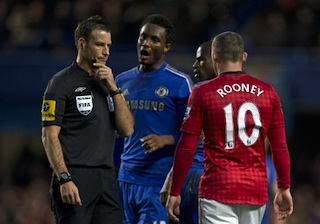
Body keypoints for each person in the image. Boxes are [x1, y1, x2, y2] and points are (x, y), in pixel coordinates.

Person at [166, 31, 293, 224]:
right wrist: (284, 187)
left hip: (218, 189)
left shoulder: (203, 92)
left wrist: (174, 190)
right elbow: (280, 146)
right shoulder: (268, 93)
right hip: (254, 191)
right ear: (243, 57)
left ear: (214, 55)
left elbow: (187, 146)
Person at [41, 15, 134, 224]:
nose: (106, 51)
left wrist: (114, 89)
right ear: (82, 43)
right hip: (75, 176)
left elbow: (127, 130)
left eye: (109, 45)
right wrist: (64, 178)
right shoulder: (61, 83)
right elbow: (49, 136)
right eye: (100, 44)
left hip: (107, 178)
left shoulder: (108, 83)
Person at [115, 14, 193, 223]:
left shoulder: (179, 84)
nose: (146, 44)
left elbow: (195, 136)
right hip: (126, 179)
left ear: (166, 47)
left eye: (154, 40)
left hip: (157, 181)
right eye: (143, 38)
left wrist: (166, 139)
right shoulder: (121, 81)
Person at [160, 40, 216, 224]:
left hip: (197, 175)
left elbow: (189, 142)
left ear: (216, 60)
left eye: (201, 60)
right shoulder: (246, 92)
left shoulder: (201, 91)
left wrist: (172, 178)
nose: (195, 65)